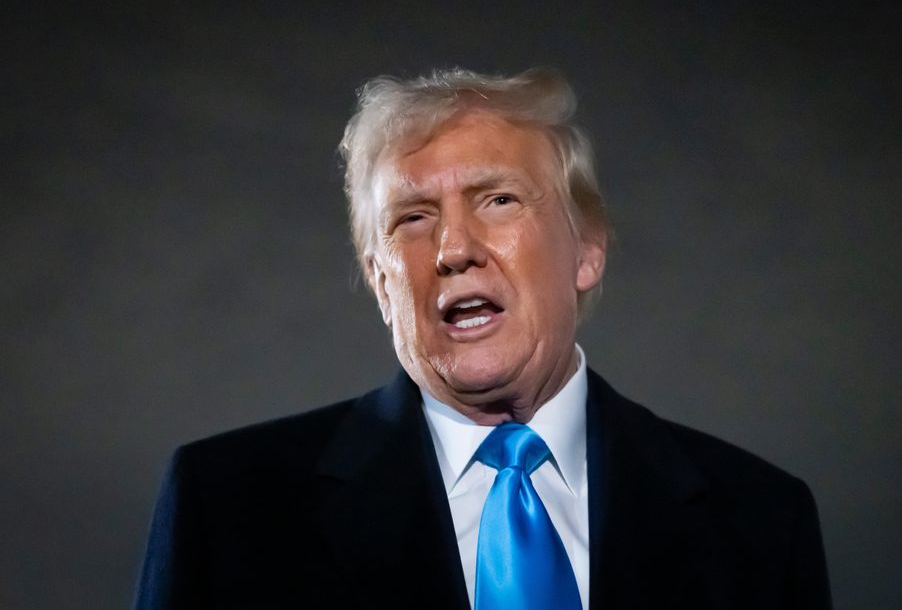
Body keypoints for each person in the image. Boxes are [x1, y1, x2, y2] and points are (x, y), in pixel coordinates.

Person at [133, 68, 832, 609]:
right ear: (381, 282)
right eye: (411, 218)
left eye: (498, 200)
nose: (453, 248)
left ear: (587, 250)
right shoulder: (227, 507)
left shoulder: (760, 518)